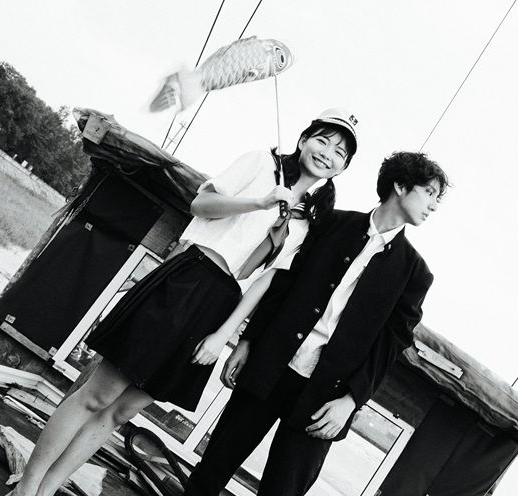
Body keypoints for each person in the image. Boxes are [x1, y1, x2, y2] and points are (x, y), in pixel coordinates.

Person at [7, 108, 359, 496]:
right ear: (304, 139)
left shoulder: (309, 219)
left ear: (342, 168)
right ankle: (27, 488)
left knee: (122, 411)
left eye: (340, 152)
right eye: (323, 140)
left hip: (221, 306)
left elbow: (265, 280)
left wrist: (223, 336)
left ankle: (48, 488)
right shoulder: (262, 164)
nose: (327, 153)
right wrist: (260, 202)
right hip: (189, 277)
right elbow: (201, 204)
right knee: (98, 395)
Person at [184, 151, 450, 496]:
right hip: (270, 365)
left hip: (327, 396)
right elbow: (283, 285)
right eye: (429, 193)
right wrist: (248, 342)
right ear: (400, 186)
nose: (434, 206)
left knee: (284, 490)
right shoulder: (332, 224)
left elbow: (391, 344)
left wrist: (351, 400)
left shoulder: (415, 273)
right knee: (212, 468)